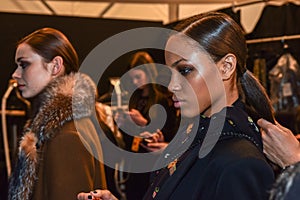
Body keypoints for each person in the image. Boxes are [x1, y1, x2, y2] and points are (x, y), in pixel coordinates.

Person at [78, 11, 276, 200]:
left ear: (226, 67)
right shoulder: (189, 141)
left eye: (185, 70)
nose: (172, 85)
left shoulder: (240, 162)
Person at [8, 27, 107, 200]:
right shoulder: (60, 125)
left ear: (55, 66)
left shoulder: (66, 133)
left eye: (24, 64)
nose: (15, 74)